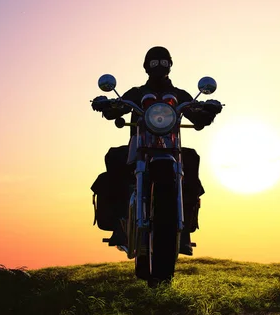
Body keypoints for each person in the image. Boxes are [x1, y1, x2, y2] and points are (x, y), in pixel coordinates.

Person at [91, 46, 222, 255]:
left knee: (191, 158)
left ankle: (186, 228)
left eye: (163, 62)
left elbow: (197, 117)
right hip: (140, 145)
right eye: (154, 63)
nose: (159, 66)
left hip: (172, 147)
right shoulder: (136, 93)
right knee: (114, 157)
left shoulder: (179, 94)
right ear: (146, 67)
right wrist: (107, 105)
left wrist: (209, 110)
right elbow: (118, 108)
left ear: (170, 65)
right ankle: (120, 224)